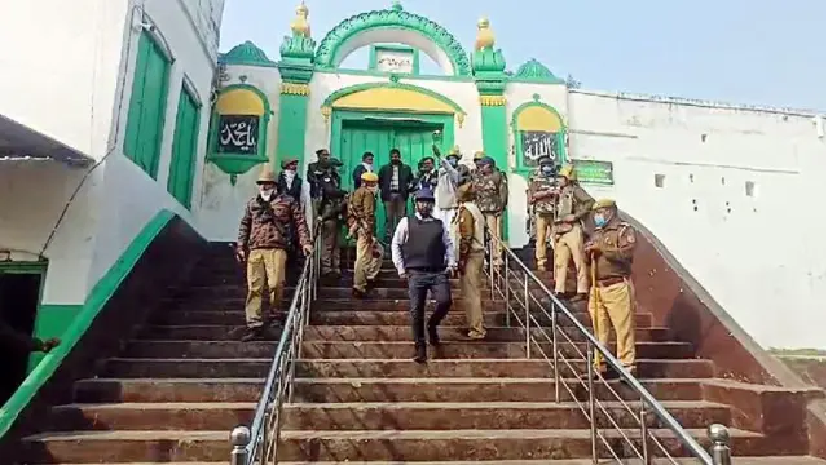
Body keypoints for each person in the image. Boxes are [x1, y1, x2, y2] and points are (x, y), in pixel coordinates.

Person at [236, 164, 313, 341]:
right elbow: (245, 225)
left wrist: (305, 243)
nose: (264, 187)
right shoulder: (252, 203)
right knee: (254, 287)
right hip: (255, 249)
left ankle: (275, 315)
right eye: (261, 184)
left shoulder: (287, 202)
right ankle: (253, 323)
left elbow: (300, 223)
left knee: (276, 284)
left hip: (277, 248)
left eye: (268, 184)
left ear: (275, 185)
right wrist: (240, 246)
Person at [391, 188, 457, 364]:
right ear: (416, 204)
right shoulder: (407, 222)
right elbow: (396, 244)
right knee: (416, 311)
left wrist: (451, 263)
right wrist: (400, 268)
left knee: (445, 301)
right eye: (421, 202)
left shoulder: (439, 224)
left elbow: (448, 244)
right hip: (416, 272)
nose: (425, 205)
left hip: (437, 271)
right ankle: (420, 348)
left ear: (432, 205)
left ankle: (432, 324)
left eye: (428, 203)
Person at [585, 198, 637, 378]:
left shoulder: (623, 230)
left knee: (623, 328)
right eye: (596, 213)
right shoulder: (597, 232)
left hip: (616, 285)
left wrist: (603, 249)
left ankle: (627, 365)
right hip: (597, 286)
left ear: (610, 212)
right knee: (599, 329)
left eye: (601, 212)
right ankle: (599, 364)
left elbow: (627, 253)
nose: (598, 216)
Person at [552, 164, 594, 301]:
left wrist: (576, 215)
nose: (559, 179)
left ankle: (582, 290)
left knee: (579, 260)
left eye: (561, 177)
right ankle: (560, 290)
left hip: (573, 228)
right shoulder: (560, 191)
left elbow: (590, 202)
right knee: (560, 261)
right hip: (560, 228)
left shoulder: (575, 190)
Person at [454, 183, 486, 339]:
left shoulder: (466, 211)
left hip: (471, 254)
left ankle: (477, 328)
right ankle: (473, 325)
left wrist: (461, 259)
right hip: (477, 252)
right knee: (471, 291)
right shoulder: (476, 210)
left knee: (471, 293)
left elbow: (466, 236)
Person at [348, 171, 384, 297]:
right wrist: (369, 232)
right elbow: (368, 214)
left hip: (358, 227)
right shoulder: (368, 194)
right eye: (375, 183)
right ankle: (359, 286)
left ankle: (370, 275)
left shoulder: (356, 192)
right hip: (365, 229)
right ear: (370, 183)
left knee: (378, 250)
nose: (376, 186)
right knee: (363, 258)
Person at [472, 156, 508, 268]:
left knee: (495, 235)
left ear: (490, 165)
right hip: (479, 210)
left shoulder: (498, 176)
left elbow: (503, 193)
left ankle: (497, 259)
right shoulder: (477, 176)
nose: (481, 168)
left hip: (493, 210)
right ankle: (483, 260)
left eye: (483, 165)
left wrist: (501, 208)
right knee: (479, 236)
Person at [527, 157, 560, 271]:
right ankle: (541, 262)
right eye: (544, 166)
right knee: (540, 238)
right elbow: (531, 198)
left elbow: (565, 193)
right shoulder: (536, 180)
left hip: (556, 213)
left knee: (557, 238)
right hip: (541, 213)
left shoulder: (559, 179)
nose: (547, 168)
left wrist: (556, 193)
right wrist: (547, 193)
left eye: (549, 165)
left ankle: (558, 261)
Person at [377, 148, 414, 243]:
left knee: (401, 217)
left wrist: (407, 189)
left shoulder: (406, 168)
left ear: (399, 157)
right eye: (393, 157)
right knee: (389, 218)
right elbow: (380, 182)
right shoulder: (384, 169)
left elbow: (411, 180)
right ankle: (389, 238)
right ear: (390, 158)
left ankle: (400, 237)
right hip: (389, 196)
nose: (395, 158)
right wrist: (384, 191)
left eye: (396, 157)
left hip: (401, 195)